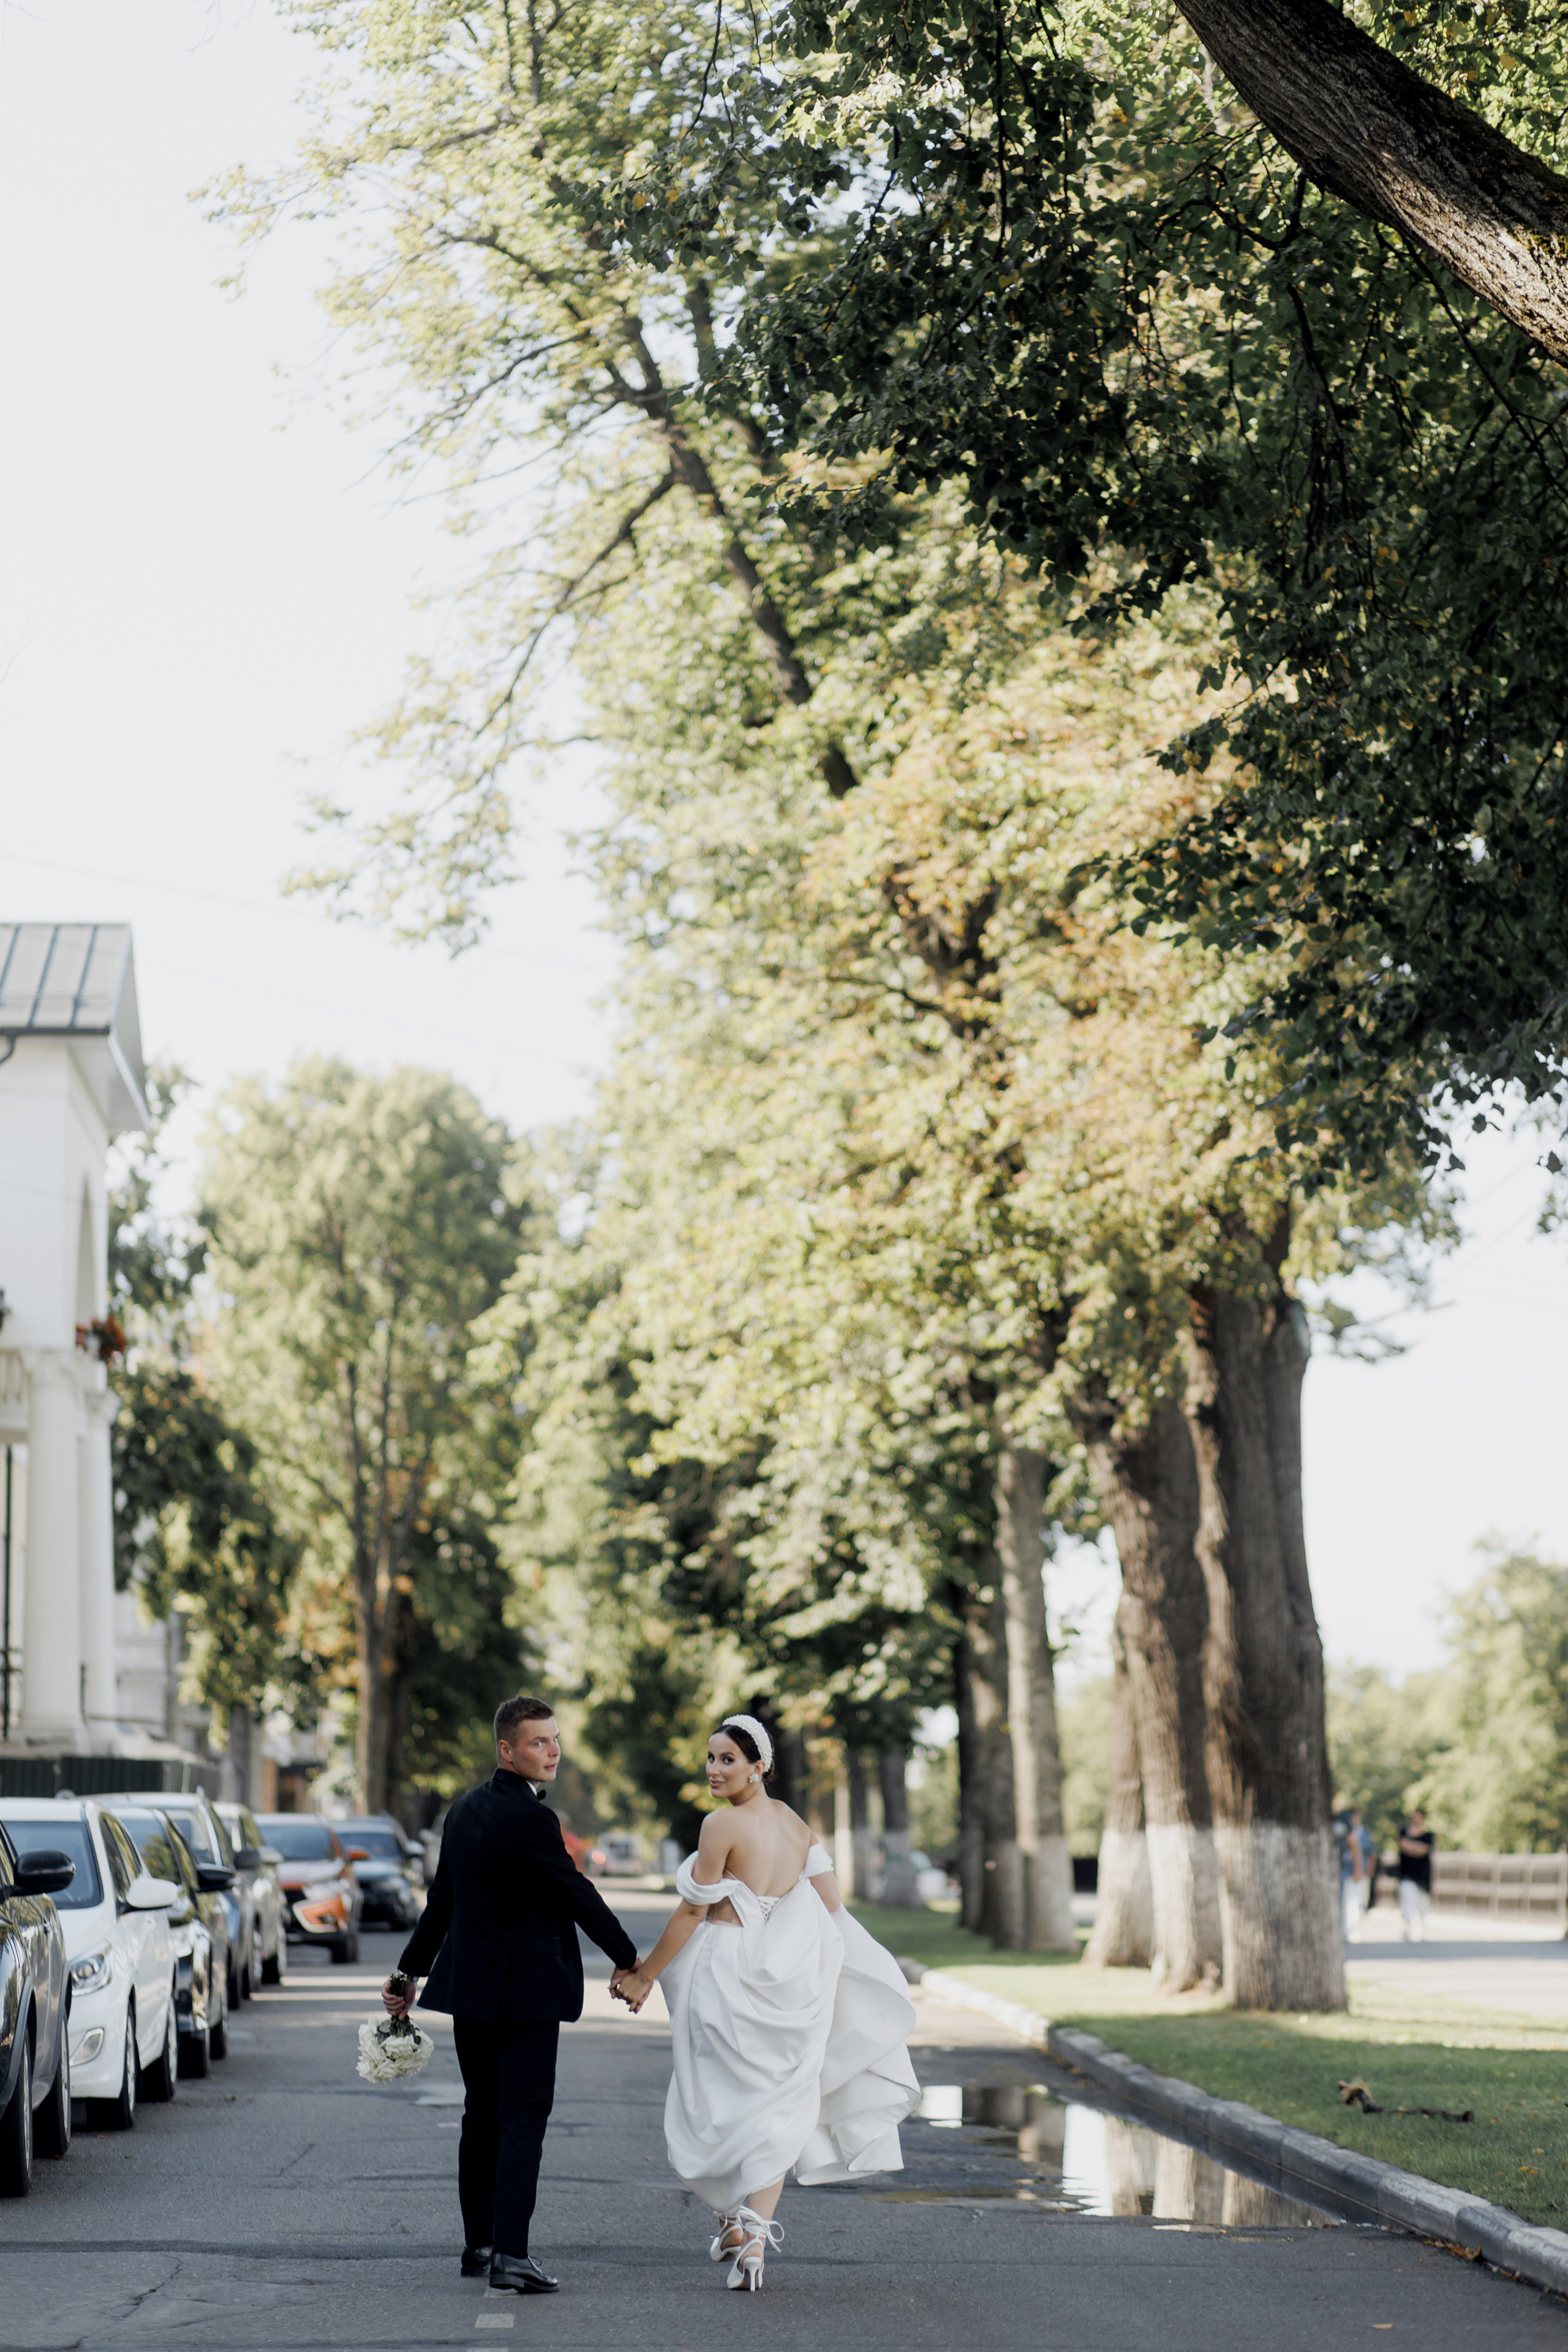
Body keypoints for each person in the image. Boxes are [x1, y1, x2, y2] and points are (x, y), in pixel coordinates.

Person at [611, 1715, 918, 2293]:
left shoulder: (720, 1826)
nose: (714, 1770)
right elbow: (830, 1905)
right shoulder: (798, 1827)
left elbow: (692, 1911)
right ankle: (749, 2233)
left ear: (761, 1765)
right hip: (791, 1985)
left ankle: (736, 2222)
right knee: (778, 2102)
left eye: (728, 1759)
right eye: (710, 1758)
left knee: (716, 2099)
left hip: (726, 1976)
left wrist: (645, 1976)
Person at [382, 1695, 640, 2296]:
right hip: (525, 1994)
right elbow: (575, 1892)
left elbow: (441, 1902)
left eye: (554, 1740)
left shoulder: (464, 1811)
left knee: (482, 2115)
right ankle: (513, 2255)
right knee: (522, 2117)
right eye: (537, 1743)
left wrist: (407, 1973)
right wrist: (630, 1960)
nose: (552, 1751)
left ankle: (479, 2244)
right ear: (507, 1749)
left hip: (472, 1991)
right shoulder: (531, 1819)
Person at [1397, 1807, 1434, 1943]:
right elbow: (1403, 1845)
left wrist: (1410, 1847)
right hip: (1407, 1874)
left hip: (1422, 1876)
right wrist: (1416, 1848)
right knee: (1408, 1900)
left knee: (1422, 1904)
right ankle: (1407, 1929)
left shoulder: (1429, 1835)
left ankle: (1422, 1930)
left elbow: (1424, 1850)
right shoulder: (1404, 1831)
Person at [1340, 1806, 1374, 1942]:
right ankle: (1346, 1929)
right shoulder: (1342, 1831)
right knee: (1347, 1901)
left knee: (1359, 1901)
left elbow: (1371, 1853)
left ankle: (1355, 1929)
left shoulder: (1363, 1832)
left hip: (1360, 1872)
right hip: (1346, 1871)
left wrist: (1365, 1871)